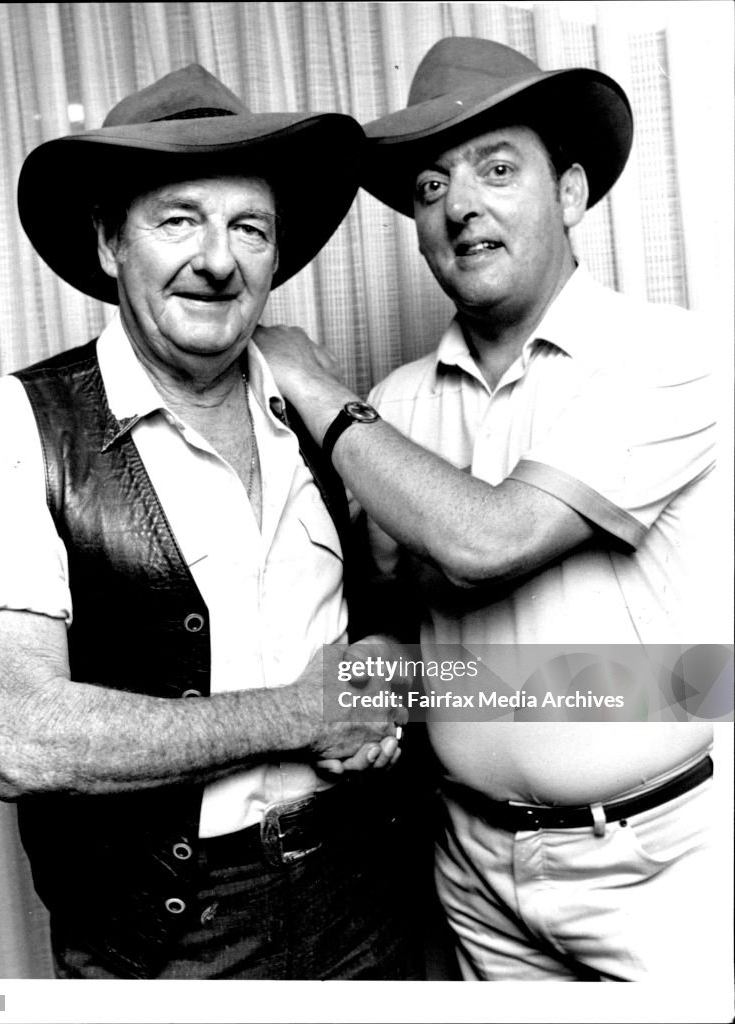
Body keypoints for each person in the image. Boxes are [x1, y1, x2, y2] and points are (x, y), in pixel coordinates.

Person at [0, 64, 422, 981]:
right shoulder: (5, 427)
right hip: (170, 939)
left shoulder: (314, 412)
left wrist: (387, 660)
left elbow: (383, 597)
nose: (218, 258)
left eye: (248, 228)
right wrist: (304, 713)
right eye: (178, 219)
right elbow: (21, 737)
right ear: (112, 243)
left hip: (365, 894)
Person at [255, 37, 730, 982]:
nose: (460, 205)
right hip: (471, 870)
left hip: (660, 866)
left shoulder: (669, 355)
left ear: (569, 194)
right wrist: (374, 678)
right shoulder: (391, 408)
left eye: (497, 169)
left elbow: (488, 542)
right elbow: (402, 622)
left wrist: (316, 389)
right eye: (430, 189)